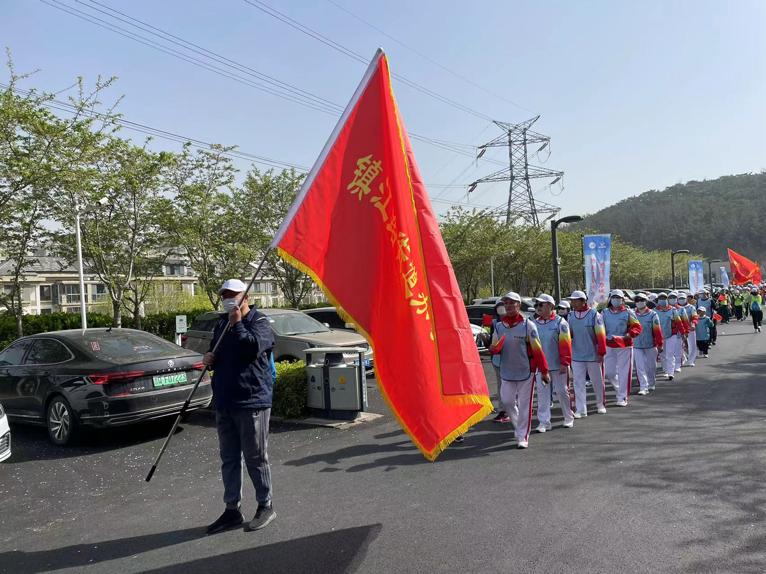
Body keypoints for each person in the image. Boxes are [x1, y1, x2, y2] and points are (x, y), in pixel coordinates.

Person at [204, 279, 277, 535]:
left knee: (256, 457)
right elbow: (218, 352)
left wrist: (237, 323)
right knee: (229, 458)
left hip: (252, 400)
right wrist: (210, 358)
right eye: (224, 295)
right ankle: (232, 509)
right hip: (225, 401)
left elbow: (251, 349)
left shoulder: (260, 322)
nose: (228, 299)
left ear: (246, 296)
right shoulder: (221, 324)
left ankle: (265, 504)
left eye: (233, 294)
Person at [489, 291, 550, 449]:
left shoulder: (528, 325)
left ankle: (523, 436)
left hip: (526, 372)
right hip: (507, 371)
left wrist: (544, 371)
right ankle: (518, 426)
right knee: (508, 401)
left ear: (518, 305)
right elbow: (494, 347)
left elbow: (538, 350)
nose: (508, 306)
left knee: (525, 405)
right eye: (506, 303)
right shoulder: (499, 326)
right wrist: (493, 348)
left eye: (512, 303)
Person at [531, 294, 574, 432]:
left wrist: (564, 362)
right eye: (536, 305)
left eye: (541, 305)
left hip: (558, 365)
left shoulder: (560, 323)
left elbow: (566, 344)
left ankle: (568, 417)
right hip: (542, 367)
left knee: (562, 391)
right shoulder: (534, 323)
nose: (538, 308)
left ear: (550, 305)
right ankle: (544, 422)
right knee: (542, 395)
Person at [567, 290, 607, 417]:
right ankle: (581, 409)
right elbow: (569, 334)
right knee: (578, 382)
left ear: (583, 301)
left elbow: (601, 335)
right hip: (577, 354)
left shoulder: (594, 315)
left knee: (597, 381)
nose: (573, 302)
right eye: (572, 300)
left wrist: (601, 352)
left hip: (593, 354)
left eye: (575, 300)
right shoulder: (571, 316)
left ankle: (600, 404)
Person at [602, 289, 642, 407]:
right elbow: (599, 327)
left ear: (623, 300)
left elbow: (637, 327)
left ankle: (622, 396)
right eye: (614, 297)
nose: (616, 300)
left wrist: (629, 335)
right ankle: (620, 388)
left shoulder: (628, 313)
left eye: (618, 298)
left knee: (624, 372)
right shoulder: (604, 313)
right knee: (609, 372)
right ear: (610, 299)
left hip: (625, 345)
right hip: (609, 344)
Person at [632, 293, 664, 395]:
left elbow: (657, 331)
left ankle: (651, 383)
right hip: (636, 345)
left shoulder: (653, 314)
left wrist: (660, 344)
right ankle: (643, 387)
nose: (639, 302)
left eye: (641, 300)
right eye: (637, 300)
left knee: (651, 367)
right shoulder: (632, 314)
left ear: (646, 301)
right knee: (640, 367)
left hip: (651, 344)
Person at [489, 300, 514, 424]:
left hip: (514, 361)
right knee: (501, 387)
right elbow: (491, 342)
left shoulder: (520, 323)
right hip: (497, 361)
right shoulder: (495, 324)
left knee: (514, 387)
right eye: (499, 310)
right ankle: (503, 410)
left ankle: (514, 410)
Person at [654, 293, 683, 380]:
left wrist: (683, 332)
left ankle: (670, 373)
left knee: (670, 353)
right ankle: (666, 370)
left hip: (671, 334)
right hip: (659, 335)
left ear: (667, 299)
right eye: (660, 298)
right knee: (662, 354)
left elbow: (679, 322)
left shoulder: (673, 310)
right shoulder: (654, 311)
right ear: (658, 300)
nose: (662, 300)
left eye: (664, 298)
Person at [669, 291, 689, 373]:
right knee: (670, 352)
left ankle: (677, 365)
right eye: (670, 298)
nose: (672, 299)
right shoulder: (665, 310)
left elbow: (685, 321)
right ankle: (669, 367)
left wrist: (686, 331)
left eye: (674, 298)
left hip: (678, 333)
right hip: (667, 333)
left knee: (678, 349)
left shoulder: (681, 309)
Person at [679, 292, 699, 367]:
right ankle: (682, 358)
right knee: (679, 345)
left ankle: (691, 360)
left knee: (692, 345)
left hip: (690, 328)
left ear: (686, 299)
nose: (681, 300)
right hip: (679, 329)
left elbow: (695, 317)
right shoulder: (675, 308)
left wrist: (693, 323)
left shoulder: (691, 307)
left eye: (683, 298)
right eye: (680, 298)